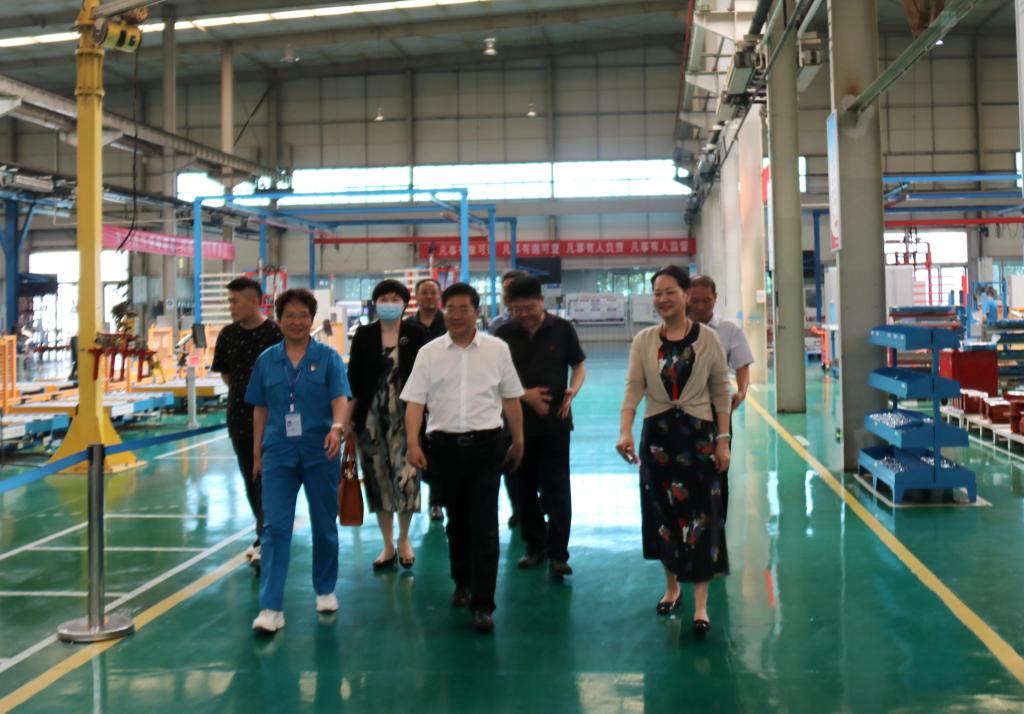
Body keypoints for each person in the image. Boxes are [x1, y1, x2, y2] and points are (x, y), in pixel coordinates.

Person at [401, 283, 525, 634]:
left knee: (484, 524)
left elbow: (511, 398)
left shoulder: (497, 349)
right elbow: (415, 402)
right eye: (451, 309)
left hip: (487, 445)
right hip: (444, 447)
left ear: (476, 311)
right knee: (457, 522)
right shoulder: (429, 353)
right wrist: (413, 443)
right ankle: (462, 582)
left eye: (463, 309)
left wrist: (518, 440)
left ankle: (483, 604)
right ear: (444, 311)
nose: (456, 315)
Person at [616, 265, 731, 638]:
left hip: (698, 438)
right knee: (662, 514)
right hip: (658, 439)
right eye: (657, 293)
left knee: (702, 516)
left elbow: (720, 389)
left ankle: (701, 606)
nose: (663, 299)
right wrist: (625, 430)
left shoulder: (708, 339)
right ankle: (671, 587)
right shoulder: (643, 341)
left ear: (685, 295)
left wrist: (723, 439)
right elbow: (634, 386)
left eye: (670, 292)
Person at [245, 288, 351, 634]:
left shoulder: (328, 358)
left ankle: (325, 588)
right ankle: (271, 607)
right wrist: (257, 453)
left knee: (324, 522)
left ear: (312, 319)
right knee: (274, 528)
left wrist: (337, 428)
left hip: (321, 450)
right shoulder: (266, 361)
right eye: (289, 315)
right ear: (279, 320)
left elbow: (340, 399)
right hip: (278, 452)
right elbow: (260, 409)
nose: (296, 321)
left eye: (303, 315)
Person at [495, 275, 586, 577]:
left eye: (529, 308)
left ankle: (558, 554)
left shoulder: (562, 329)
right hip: (516, 425)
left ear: (541, 301)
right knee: (524, 489)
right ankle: (535, 547)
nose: (523, 314)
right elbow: (495, 378)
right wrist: (526, 396)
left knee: (557, 488)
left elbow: (578, 364)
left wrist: (574, 389)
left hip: (556, 422)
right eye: (517, 309)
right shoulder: (503, 334)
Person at [346, 279, 428, 571]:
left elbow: (428, 379)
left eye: (395, 298)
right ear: (375, 303)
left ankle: (404, 539)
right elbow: (353, 381)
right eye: (384, 298)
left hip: (408, 419)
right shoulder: (364, 335)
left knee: (407, 479)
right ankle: (387, 544)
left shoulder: (417, 334)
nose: (389, 303)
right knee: (378, 480)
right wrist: (347, 422)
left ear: (405, 304)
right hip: (370, 420)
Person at [211, 276, 283, 571]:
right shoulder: (227, 335)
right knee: (251, 480)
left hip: (274, 421)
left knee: (270, 480)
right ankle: (262, 533)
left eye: (235, 301)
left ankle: (268, 538)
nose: (231, 306)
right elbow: (227, 375)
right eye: (229, 301)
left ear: (255, 302)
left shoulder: (275, 333)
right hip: (240, 419)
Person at [488, 268, 529, 526]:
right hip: (506, 403)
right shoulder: (496, 326)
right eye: (507, 290)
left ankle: (535, 506)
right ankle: (518, 509)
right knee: (510, 459)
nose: (510, 294)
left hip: (537, 404)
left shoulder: (539, 321)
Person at [404, 278, 447, 521]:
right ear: (417, 297)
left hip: (444, 396)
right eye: (425, 293)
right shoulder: (407, 327)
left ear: (439, 296)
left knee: (440, 450)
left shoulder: (449, 323)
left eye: (433, 292)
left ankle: (437, 501)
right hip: (415, 397)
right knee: (417, 446)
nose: (429, 296)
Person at [687, 276, 755, 410]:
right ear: (685, 297)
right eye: (695, 301)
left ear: (715, 297)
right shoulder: (674, 329)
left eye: (706, 301)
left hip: (717, 404)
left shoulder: (729, 329)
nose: (700, 306)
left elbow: (742, 364)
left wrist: (741, 392)